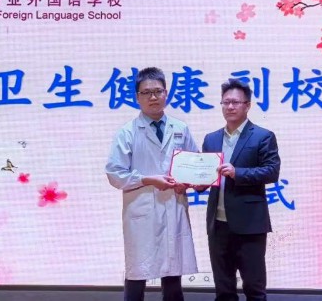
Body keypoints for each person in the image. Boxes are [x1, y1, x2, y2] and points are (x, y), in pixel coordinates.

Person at [106, 67, 198, 301]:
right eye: (146, 93)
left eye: (158, 91)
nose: (153, 97)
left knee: (173, 275)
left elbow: (195, 163)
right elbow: (115, 174)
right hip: (142, 210)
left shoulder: (180, 128)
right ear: (137, 97)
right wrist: (148, 179)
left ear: (166, 93)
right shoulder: (127, 132)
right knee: (137, 273)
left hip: (173, 207)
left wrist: (188, 182)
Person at [201, 78, 280, 301]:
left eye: (235, 102)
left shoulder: (263, 136)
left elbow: (271, 171)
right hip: (218, 225)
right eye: (225, 102)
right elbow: (205, 174)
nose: (230, 107)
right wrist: (194, 182)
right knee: (223, 289)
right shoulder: (211, 139)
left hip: (250, 225)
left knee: (254, 288)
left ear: (247, 105)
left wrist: (238, 173)